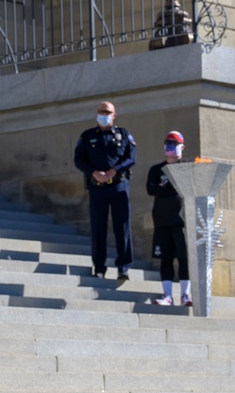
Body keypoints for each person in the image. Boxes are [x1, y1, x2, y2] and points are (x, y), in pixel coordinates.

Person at [74, 100, 136, 280]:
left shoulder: (123, 134)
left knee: (122, 226)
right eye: (101, 111)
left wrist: (113, 171)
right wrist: (94, 173)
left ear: (114, 115)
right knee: (98, 227)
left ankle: (123, 267)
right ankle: (99, 268)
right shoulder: (87, 136)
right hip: (97, 188)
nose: (104, 114)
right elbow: (79, 160)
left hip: (119, 186)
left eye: (107, 112)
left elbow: (131, 158)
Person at [146, 131, 192, 306]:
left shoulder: (187, 166)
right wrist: (172, 187)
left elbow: (187, 187)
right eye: (167, 143)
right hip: (161, 220)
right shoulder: (156, 170)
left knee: (184, 257)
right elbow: (151, 189)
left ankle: (185, 295)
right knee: (165, 258)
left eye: (174, 143)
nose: (170, 146)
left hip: (182, 220)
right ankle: (167, 295)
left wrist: (164, 187)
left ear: (182, 146)